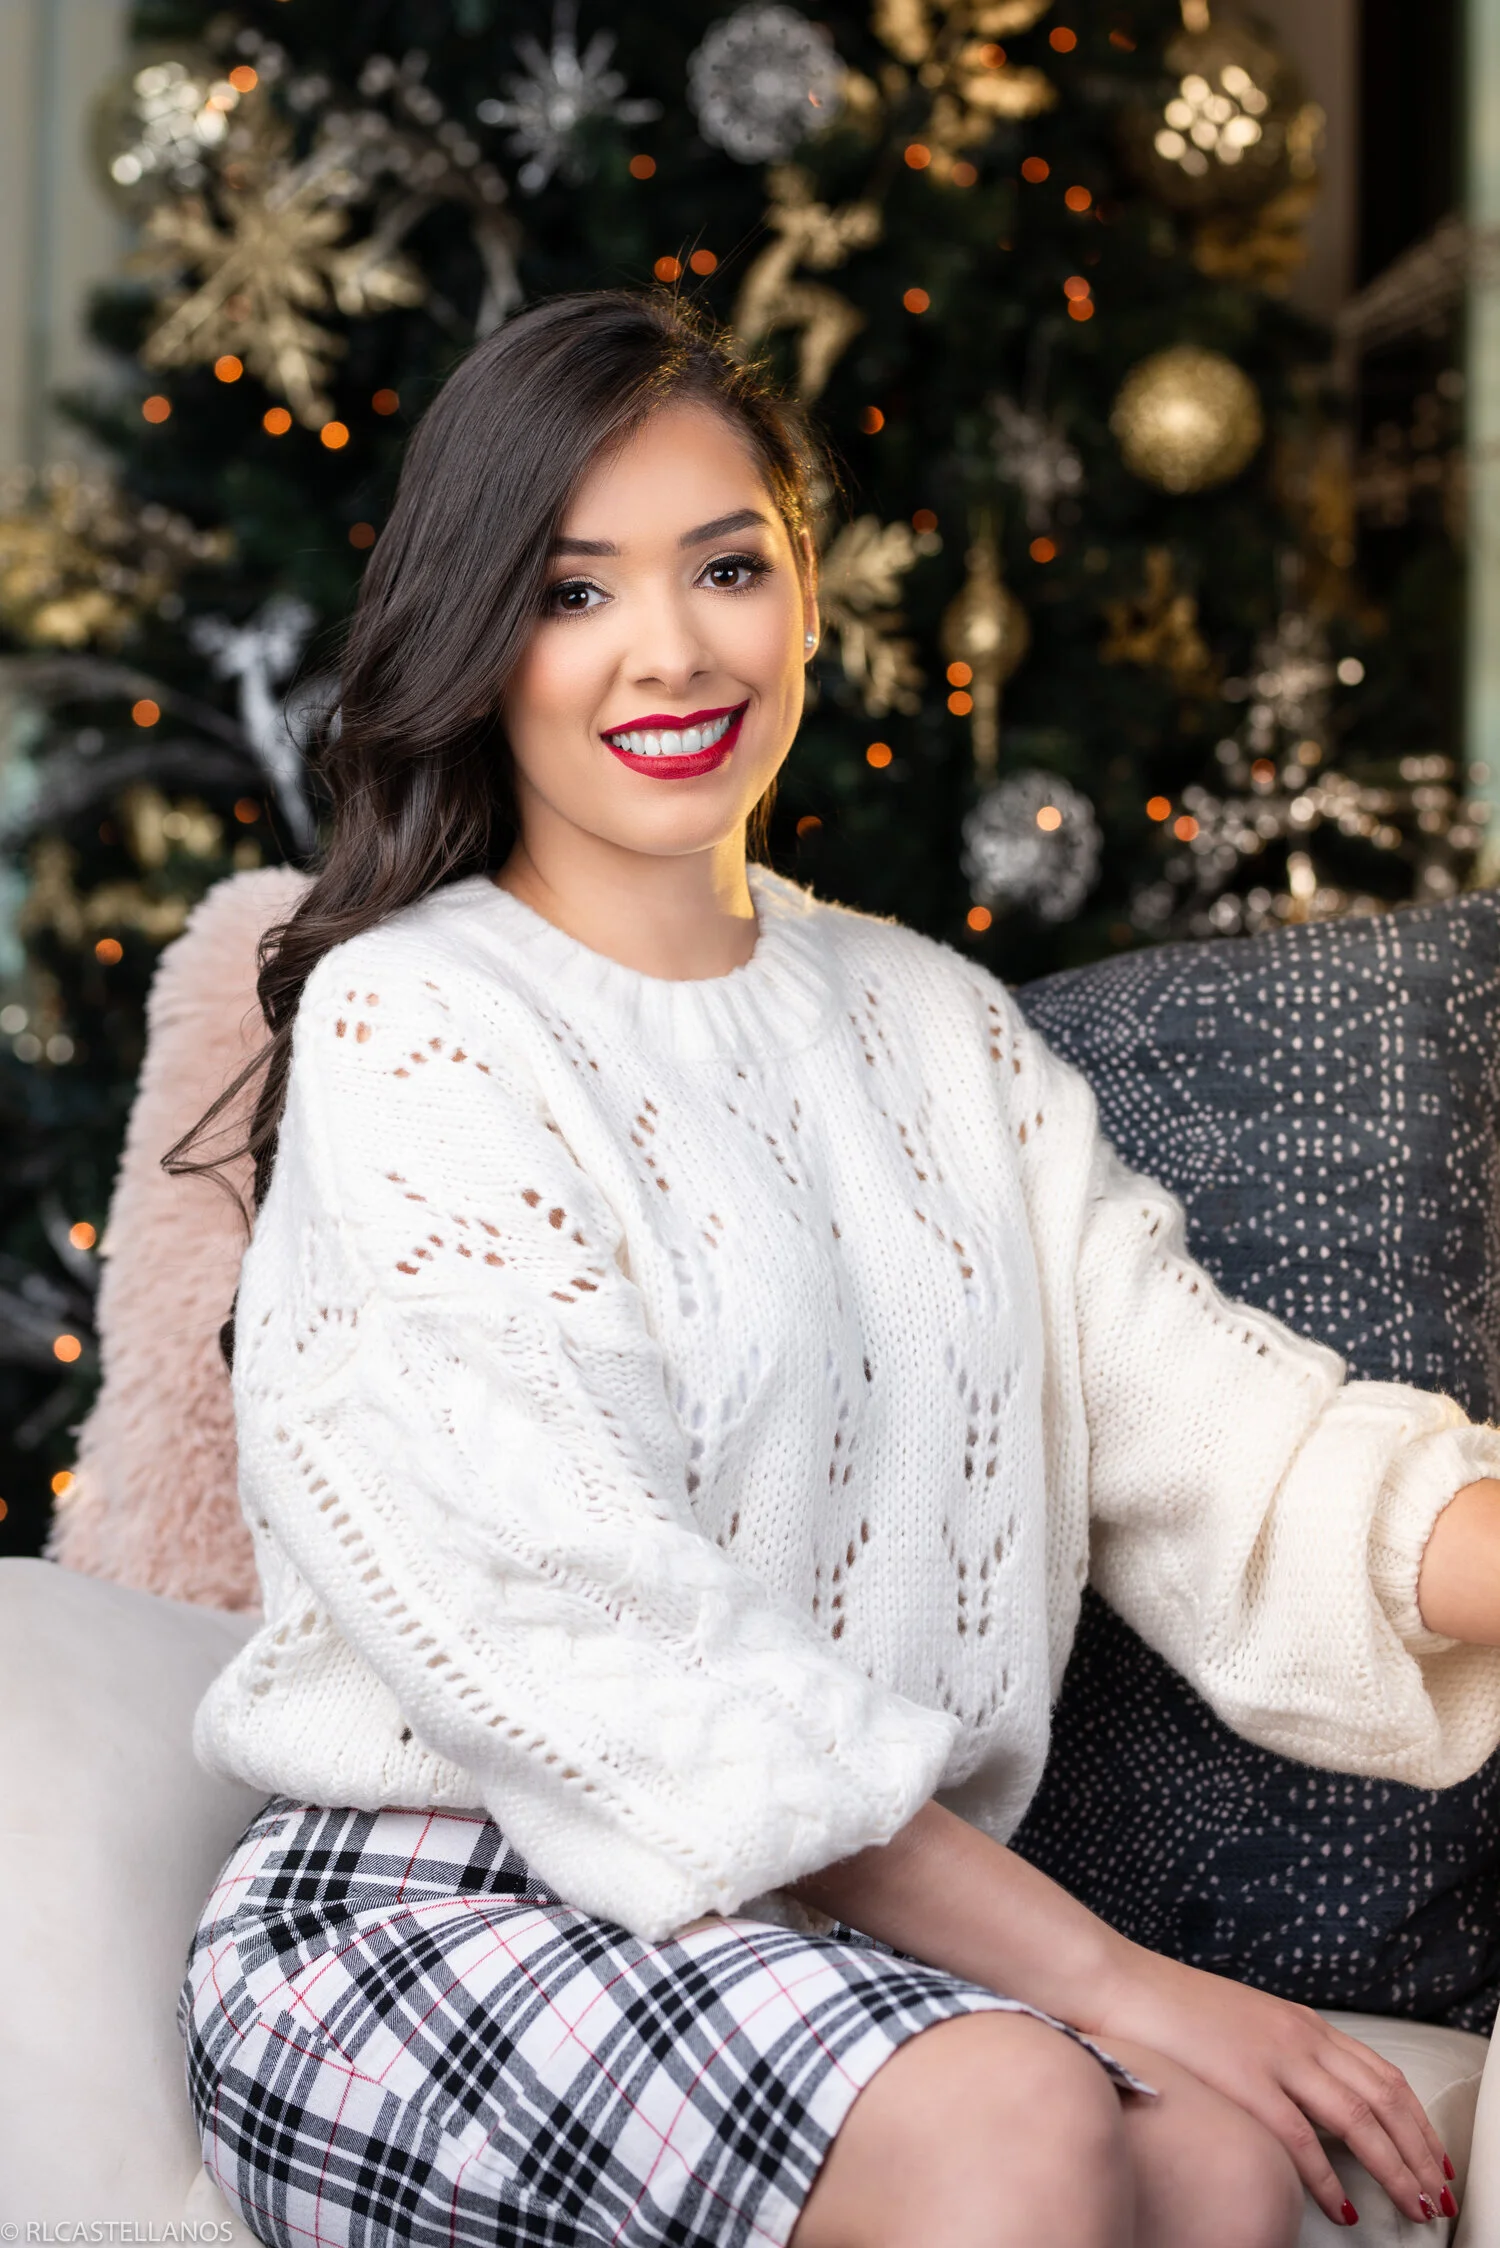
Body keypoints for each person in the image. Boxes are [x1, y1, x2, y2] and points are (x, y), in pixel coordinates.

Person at [174, 290, 1500, 2248]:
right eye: (573, 590)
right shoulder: (419, 1021)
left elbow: (1246, 1456)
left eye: (726, 566)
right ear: (479, 636)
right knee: (1017, 2109)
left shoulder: (935, 1027)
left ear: (806, 589)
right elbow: (619, 1650)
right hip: (430, 1918)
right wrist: (1119, 1981)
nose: (671, 647)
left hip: (820, 1942)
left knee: (1227, 2164)